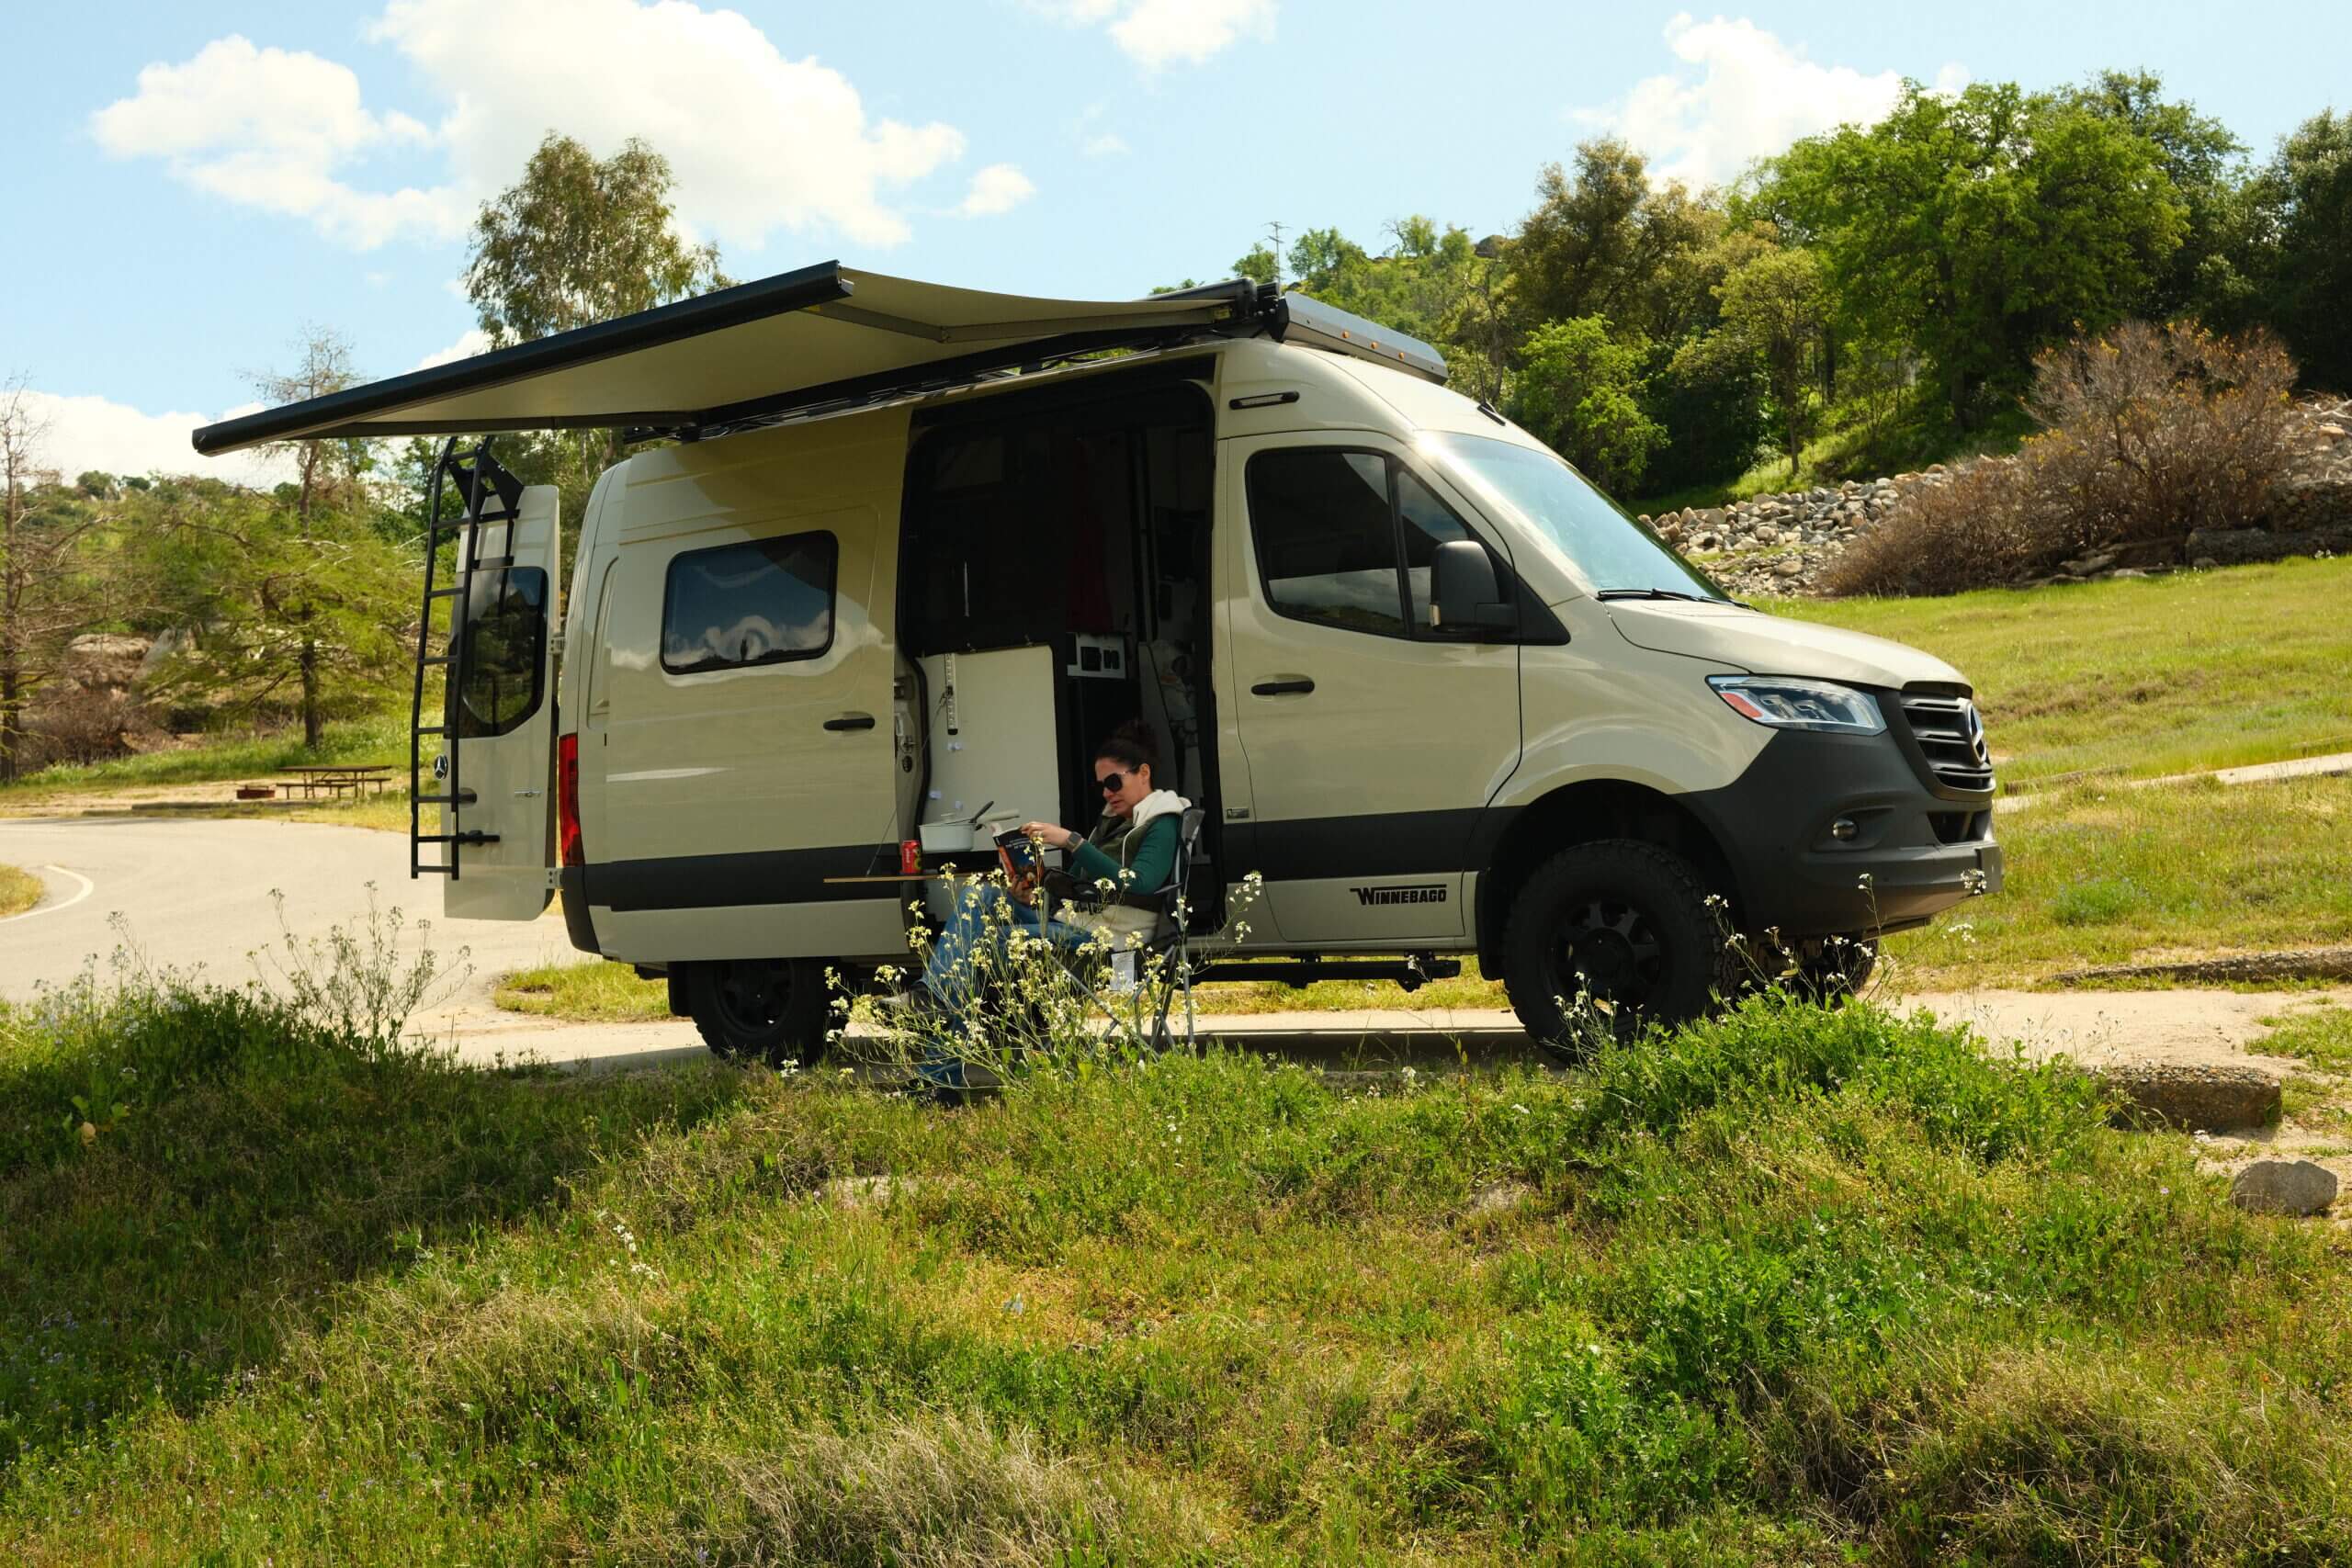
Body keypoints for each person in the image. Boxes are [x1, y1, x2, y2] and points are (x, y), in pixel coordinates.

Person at [911, 721, 1190, 1078]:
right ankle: (934, 998)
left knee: (983, 949)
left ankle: (938, 1064)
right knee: (981, 895)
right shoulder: (1112, 823)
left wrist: (1072, 842)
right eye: (1102, 786)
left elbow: (1140, 884)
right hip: (1077, 921)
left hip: (1113, 938)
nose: (1107, 793)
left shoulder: (1162, 822)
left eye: (1113, 782)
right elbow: (1076, 884)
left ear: (1144, 773)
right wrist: (1030, 893)